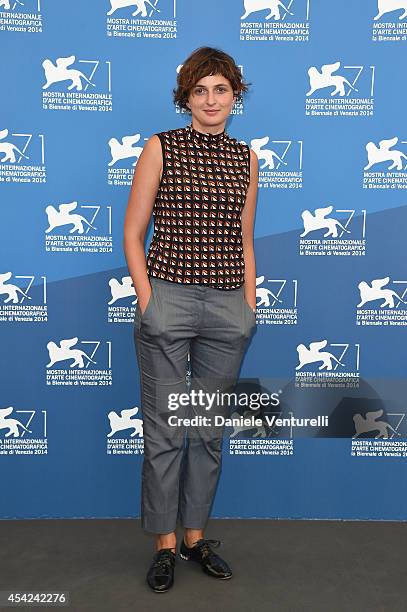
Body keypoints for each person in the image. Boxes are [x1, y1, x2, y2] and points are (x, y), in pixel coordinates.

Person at [123, 45, 259, 593]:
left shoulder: (246, 158)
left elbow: (244, 237)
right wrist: (148, 298)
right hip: (169, 299)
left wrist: (248, 302)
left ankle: (196, 538)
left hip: (228, 306)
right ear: (186, 96)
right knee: (164, 430)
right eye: (200, 90)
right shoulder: (161, 147)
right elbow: (134, 232)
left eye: (220, 89)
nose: (210, 99)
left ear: (234, 96)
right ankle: (163, 547)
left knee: (207, 433)